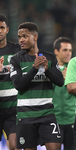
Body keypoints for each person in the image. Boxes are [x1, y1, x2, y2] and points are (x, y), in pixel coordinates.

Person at [9, 22, 63, 150]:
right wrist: (34, 68)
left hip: (47, 114)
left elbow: (60, 81)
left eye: (25, 36)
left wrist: (47, 69)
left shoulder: (49, 58)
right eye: (19, 37)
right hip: (26, 116)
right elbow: (18, 85)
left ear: (35, 37)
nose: (21, 40)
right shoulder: (16, 59)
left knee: (55, 147)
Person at [0, 14, 21, 150]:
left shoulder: (17, 51)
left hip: (13, 108)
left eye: (1, 27)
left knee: (14, 146)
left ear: (7, 30)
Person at [52, 37, 76, 150]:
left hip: (72, 118)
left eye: (70, 50)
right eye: (65, 50)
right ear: (56, 51)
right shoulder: (49, 70)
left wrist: (70, 80)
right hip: (54, 119)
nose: (68, 53)